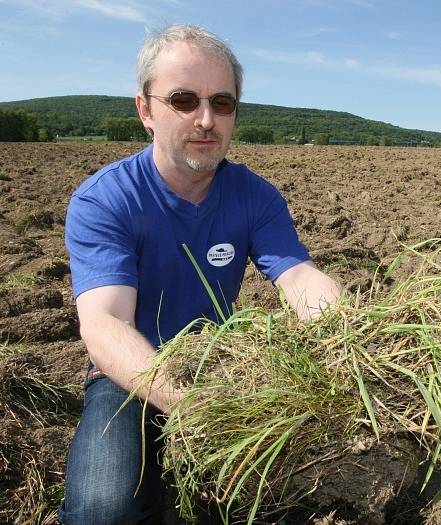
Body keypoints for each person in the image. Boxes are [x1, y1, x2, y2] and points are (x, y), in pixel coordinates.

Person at [58, 24, 340, 525]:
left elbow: (298, 278)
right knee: (104, 509)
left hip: (220, 364)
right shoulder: (106, 199)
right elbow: (105, 325)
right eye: (183, 100)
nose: (206, 119)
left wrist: (346, 330)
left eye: (222, 102)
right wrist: (188, 405)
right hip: (126, 373)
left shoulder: (255, 197)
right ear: (145, 110)